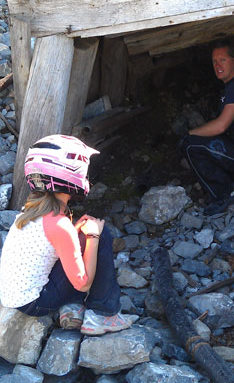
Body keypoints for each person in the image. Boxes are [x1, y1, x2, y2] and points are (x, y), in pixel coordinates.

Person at [0, 134, 134, 336]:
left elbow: (52, 245)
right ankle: (103, 313)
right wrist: (93, 237)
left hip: (15, 296)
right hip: (36, 303)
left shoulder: (30, 211)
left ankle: (72, 306)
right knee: (102, 234)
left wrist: (76, 232)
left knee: (82, 237)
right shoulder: (59, 224)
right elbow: (83, 283)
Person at [180, 41, 234, 214]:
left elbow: (221, 126)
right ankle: (232, 187)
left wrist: (188, 133)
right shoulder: (233, 86)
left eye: (223, 60)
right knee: (196, 142)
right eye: (214, 61)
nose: (218, 65)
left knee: (189, 145)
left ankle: (226, 194)